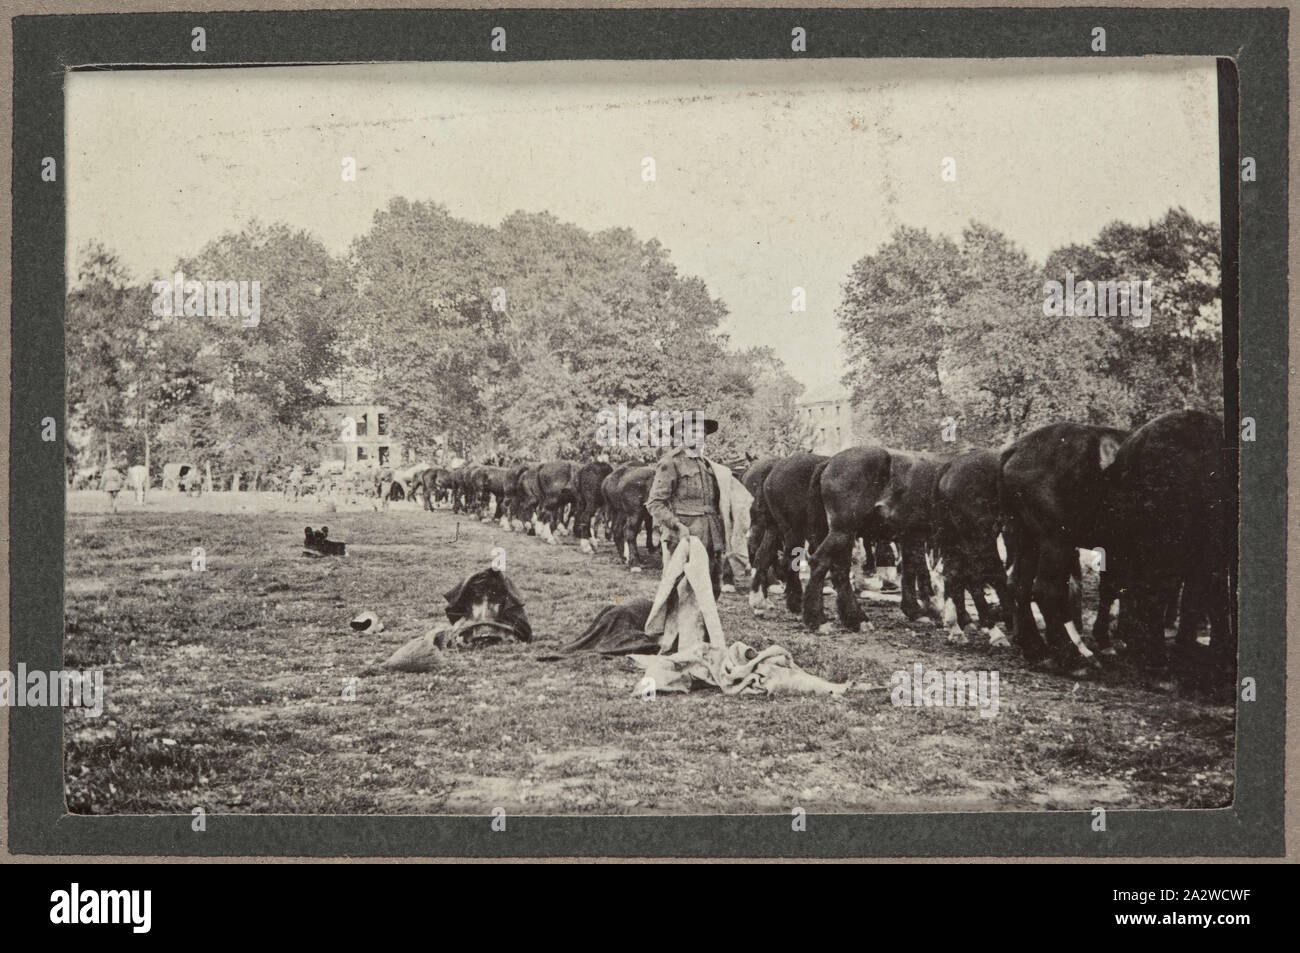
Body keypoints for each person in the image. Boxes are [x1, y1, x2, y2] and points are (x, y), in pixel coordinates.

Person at [645, 416, 728, 598]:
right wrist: (676, 525)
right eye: (694, 431)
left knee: (712, 590)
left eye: (703, 432)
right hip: (683, 535)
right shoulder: (671, 462)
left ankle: (701, 626)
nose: (700, 436)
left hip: (711, 536)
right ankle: (675, 627)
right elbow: (655, 503)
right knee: (680, 589)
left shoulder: (707, 464)